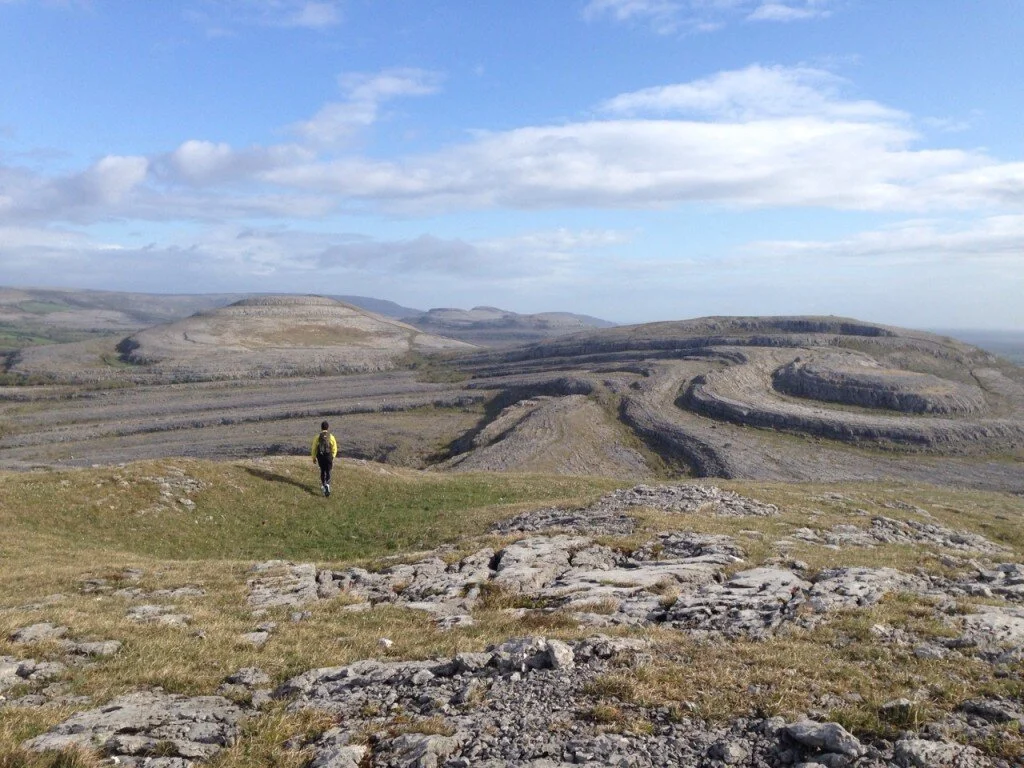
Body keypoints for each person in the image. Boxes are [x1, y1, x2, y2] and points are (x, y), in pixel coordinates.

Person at [311, 420, 337, 497]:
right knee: (328, 471)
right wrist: (333, 456)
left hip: (321, 457)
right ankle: (328, 485)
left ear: (321, 428)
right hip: (329, 456)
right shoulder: (331, 436)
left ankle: (323, 485)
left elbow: (314, 448)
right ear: (328, 427)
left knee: (322, 471)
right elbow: (334, 448)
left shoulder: (317, 437)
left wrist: (314, 457)